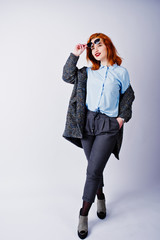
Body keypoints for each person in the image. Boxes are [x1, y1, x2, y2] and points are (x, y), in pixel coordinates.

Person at [62, 33, 135, 239]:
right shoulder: (87, 72)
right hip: (87, 123)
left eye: (98, 44)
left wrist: (121, 118)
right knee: (94, 166)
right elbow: (67, 76)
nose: (94, 48)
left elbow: (129, 95)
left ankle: (83, 213)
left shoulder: (121, 72)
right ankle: (100, 196)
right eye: (91, 46)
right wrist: (75, 54)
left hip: (108, 125)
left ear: (107, 46)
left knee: (93, 170)